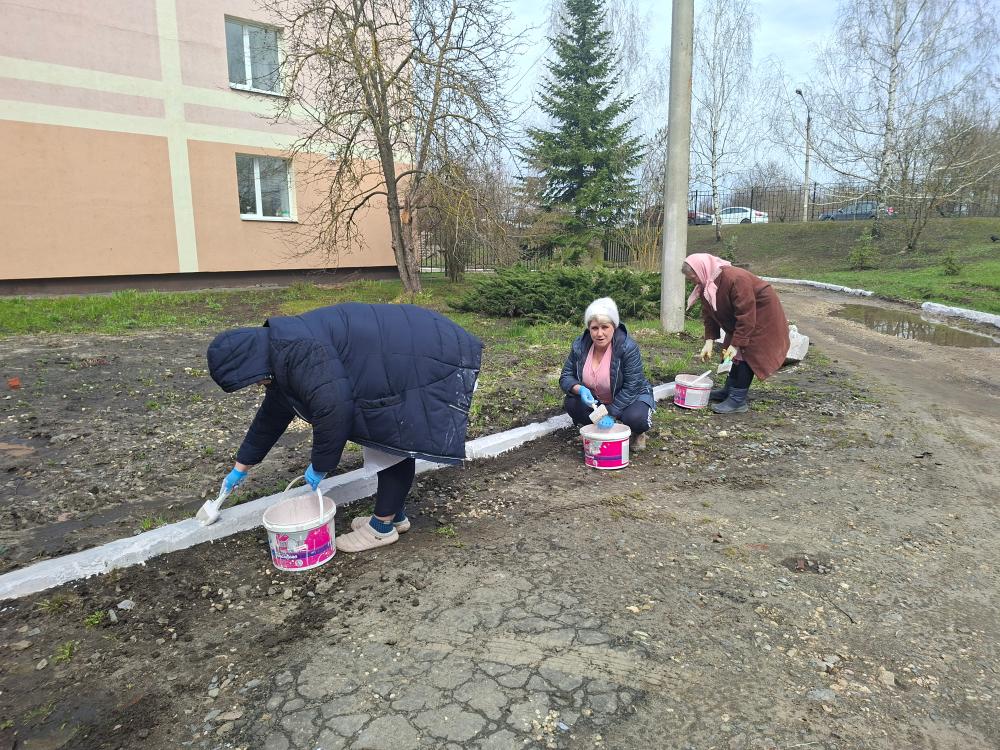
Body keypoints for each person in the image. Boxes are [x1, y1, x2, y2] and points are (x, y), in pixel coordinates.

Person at [207, 303, 482, 553]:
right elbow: (273, 415)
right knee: (385, 435)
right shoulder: (280, 350)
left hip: (429, 358)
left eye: (251, 380)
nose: (255, 385)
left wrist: (319, 466)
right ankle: (394, 516)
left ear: (253, 365)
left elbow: (334, 410)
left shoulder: (301, 351)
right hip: (406, 354)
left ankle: (381, 529)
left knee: (393, 438)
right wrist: (240, 467)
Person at [682, 253, 790, 414]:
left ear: (702, 269)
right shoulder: (707, 284)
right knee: (734, 355)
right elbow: (709, 313)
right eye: (691, 279)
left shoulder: (734, 278)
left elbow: (746, 314)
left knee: (747, 352)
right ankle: (729, 390)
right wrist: (709, 341)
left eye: (694, 277)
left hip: (762, 314)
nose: (694, 282)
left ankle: (738, 400)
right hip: (746, 317)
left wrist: (736, 343)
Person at [560, 297, 655, 450]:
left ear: (614, 327)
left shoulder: (627, 347)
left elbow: (632, 386)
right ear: (588, 328)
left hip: (629, 397)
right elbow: (566, 376)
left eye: (605, 327)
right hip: (597, 400)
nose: (599, 333)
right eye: (594, 328)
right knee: (572, 403)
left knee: (636, 418)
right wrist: (579, 388)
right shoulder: (579, 346)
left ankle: (638, 433)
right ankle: (593, 430)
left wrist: (611, 413)